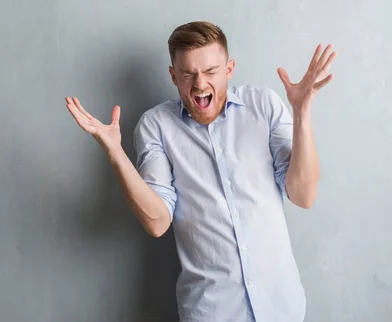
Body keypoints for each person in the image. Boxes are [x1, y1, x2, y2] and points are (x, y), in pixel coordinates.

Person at [65, 21, 335, 322]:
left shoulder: (264, 105)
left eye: (210, 71)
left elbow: (303, 194)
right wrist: (116, 153)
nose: (200, 84)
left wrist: (302, 113)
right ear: (173, 77)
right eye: (188, 74)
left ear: (229, 69)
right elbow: (157, 222)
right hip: (212, 313)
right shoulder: (156, 126)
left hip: (282, 308)